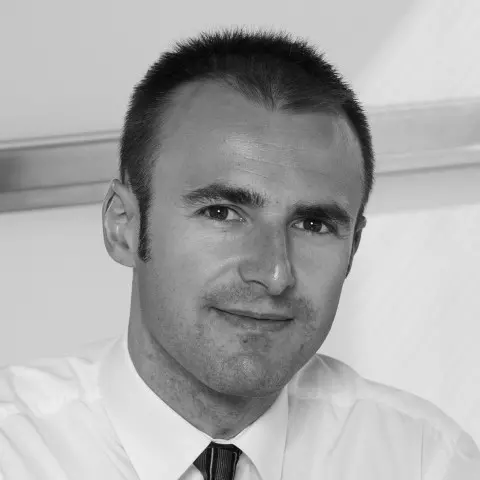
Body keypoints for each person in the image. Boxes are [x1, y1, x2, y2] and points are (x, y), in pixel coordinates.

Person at [1, 26, 479, 480]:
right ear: (123, 226)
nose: (274, 273)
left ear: (353, 248)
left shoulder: (425, 460)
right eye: (222, 213)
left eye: (313, 225)